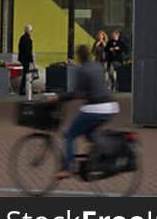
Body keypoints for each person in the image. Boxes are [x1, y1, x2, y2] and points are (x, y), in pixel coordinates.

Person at [49, 44, 118, 179]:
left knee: (69, 135)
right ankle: (100, 150)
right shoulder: (98, 66)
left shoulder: (82, 70)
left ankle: (67, 168)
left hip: (95, 108)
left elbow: (78, 93)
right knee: (88, 130)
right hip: (111, 107)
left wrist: (58, 97)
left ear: (79, 57)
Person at [17, 25, 34, 98]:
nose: (31, 32)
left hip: (22, 59)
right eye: (30, 31)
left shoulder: (22, 38)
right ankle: (23, 89)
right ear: (28, 31)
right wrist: (31, 60)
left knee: (25, 74)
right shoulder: (28, 39)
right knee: (26, 75)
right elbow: (28, 51)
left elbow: (20, 49)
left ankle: (23, 89)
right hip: (26, 59)